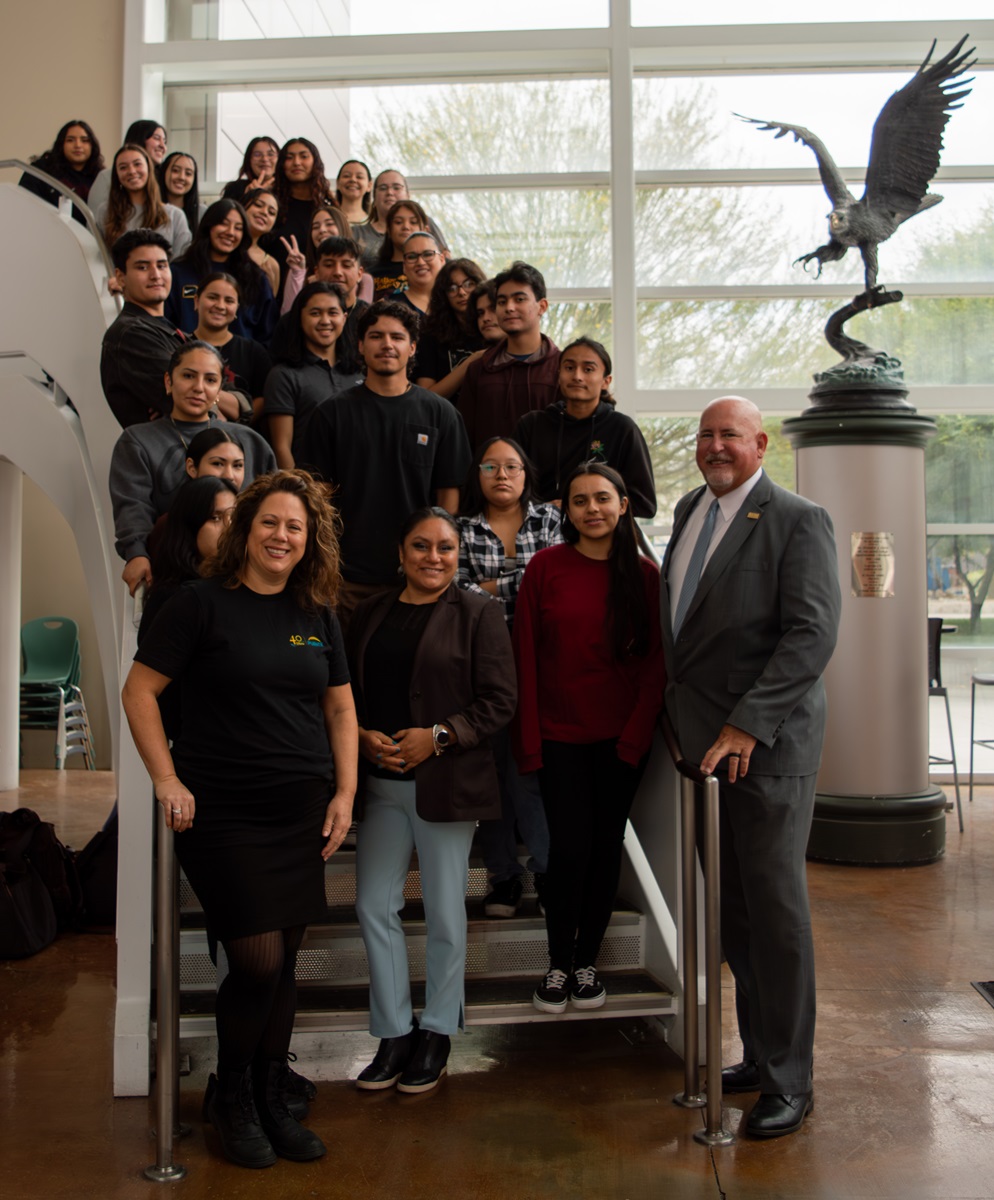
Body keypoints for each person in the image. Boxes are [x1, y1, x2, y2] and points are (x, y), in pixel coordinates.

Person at [122, 469, 358, 1169]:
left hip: (300, 811)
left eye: (295, 526)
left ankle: (265, 1095)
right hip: (223, 813)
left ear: (309, 540)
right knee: (255, 960)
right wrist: (166, 777)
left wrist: (345, 794)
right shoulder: (198, 604)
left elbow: (340, 708)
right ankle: (230, 1096)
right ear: (244, 530)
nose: (282, 535)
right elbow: (140, 693)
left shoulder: (316, 612)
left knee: (284, 962)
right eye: (269, 522)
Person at [660, 395, 841, 1139]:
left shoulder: (797, 518)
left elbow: (811, 634)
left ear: (760, 443)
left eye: (728, 434)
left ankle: (791, 1081)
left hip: (763, 750)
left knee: (775, 916)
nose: (714, 445)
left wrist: (745, 725)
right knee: (734, 915)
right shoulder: (687, 510)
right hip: (700, 753)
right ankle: (760, 1056)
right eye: (705, 435)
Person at [348, 508, 516, 1094]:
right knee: (373, 905)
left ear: (457, 554)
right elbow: (347, 693)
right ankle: (393, 1030)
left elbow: (500, 702)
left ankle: (439, 1029)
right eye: (420, 545)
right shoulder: (370, 612)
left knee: (445, 912)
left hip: (445, 785)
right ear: (401, 551)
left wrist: (439, 736)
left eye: (445, 547)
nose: (433, 557)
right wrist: (363, 736)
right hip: (381, 785)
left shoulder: (479, 613)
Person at [513, 463, 664, 1014]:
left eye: (603, 498)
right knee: (568, 851)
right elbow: (524, 659)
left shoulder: (646, 577)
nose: (592, 509)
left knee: (605, 851)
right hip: (559, 739)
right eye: (580, 501)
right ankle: (557, 962)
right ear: (564, 510)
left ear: (624, 504)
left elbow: (655, 668)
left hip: (621, 743)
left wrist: (633, 739)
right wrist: (528, 742)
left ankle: (586, 964)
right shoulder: (545, 568)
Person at [304, 300, 472, 629]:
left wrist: (434, 564)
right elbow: (317, 499)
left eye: (396, 337)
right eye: (376, 336)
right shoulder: (331, 414)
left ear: (412, 347)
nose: (386, 344)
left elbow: (448, 500)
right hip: (348, 580)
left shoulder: (441, 414)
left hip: (419, 576)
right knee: (348, 673)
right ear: (361, 345)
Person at [457, 437, 561, 918]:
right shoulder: (459, 529)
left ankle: (547, 871)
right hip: (480, 666)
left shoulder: (551, 520)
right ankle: (502, 878)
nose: (501, 474)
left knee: (532, 769)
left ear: (526, 474)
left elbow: (554, 581)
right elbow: (455, 595)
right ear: (477, 474)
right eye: (491, 465)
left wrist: (489, 587)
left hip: (543, 660)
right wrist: (521, 578)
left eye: (512, 466)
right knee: (491, 773)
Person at [110, 341, 275, 596]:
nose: (199, 388)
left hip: (247, 575)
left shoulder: (250, 441)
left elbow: (272, 504)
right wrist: (136, 554)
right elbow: (132, 506)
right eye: (188, 376)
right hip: (174, 576)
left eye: (210, 380)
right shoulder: (138, 441)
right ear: (168, 381)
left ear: (220, 389)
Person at [514, 337, 657, 519]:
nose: (577, 376)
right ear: (558, 375)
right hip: (537, 534)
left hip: (601, 536)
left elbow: (645, 504)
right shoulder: (531, 425)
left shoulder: (622, 429)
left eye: (588, 369)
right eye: (569, 368)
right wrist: (544, 510)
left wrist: (581, 507)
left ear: (606, 381)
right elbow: (511, 492)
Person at [459, 261, 560, 452]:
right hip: (489, 478)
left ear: (542, 306)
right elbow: (463, 440)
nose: (509, 308)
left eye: (519, 299)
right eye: (502, 301)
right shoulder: (478, 370)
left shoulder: (563, 368)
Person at [262, 281, 362, 470]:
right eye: (315, 313)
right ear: (299, 318)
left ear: (345, 317)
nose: (325, 321)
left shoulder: (360, 371)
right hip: (311, 487)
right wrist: (299, 494)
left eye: (333, 313)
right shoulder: (284, 375)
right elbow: (281, 447)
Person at [100, 229, 186, 427]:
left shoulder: (168, 328)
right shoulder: (130, 334)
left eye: (162, 266)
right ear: (121, 278)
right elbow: (188, 398)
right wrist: (219, 400)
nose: (156, 275)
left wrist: (216, 398)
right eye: (142, 267)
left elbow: (239, 397)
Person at [138, 475, 237, 643]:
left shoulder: (243, 583)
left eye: (234, 517)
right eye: (215, 517)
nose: (229, 527)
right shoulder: (174, 598)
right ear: (189, 525)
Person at [166, 198, 277, 342]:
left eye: (238, 228)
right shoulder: (178, 272)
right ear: (209, 226)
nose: (230, 232)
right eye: (224, 224)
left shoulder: (255, 277)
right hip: (187, 359)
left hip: (241, 361)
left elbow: (268, 333)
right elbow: (166, 326)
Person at [267, 236, 370, 374]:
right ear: (316, 272)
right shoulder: (293, 320)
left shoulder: (370, 319)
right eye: (328, 265)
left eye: (346, 265)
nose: (337, 272)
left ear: (360, 274)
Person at [192, 273, 272, 423]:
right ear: (196, 301)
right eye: (213, 297)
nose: (220, 306)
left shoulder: (254, 351)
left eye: (229, 300)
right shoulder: (179, 345)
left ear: (237, 309)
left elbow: (263, 397)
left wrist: (237, 426)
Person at [267, 138, 337, 296]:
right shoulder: (271, 207)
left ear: (315, 163)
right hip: (274, 293)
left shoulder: (326, 209)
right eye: (289, 157)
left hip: (318, 294)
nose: (296, 162)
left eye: (303, 156)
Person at [96, 143, 191, 257]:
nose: (131, 171)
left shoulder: (175, 215)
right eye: (123, 167)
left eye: (137, 164)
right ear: (117, 175)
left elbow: (180, 264)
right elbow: (98, 259)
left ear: (149, 168)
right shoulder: (105, 212)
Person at [414, 258, 487, 401]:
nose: (461, 292)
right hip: (447, 416)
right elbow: (426, 397)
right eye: (452, 288)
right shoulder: (430, 334)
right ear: (444, 295)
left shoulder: (495, 327)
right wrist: (472, 361)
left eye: (469, 284)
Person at [352, 169, 449, 265]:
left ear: (408, 195)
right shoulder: (356, 233)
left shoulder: (425, 222)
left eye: (396, 188)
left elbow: (445, 258)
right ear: (374, 197)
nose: (389, 192)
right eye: (383, 188)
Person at [19, 119, 104, 220]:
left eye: (84, 140)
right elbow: (24, 202)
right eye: (70, 140)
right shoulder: (42, 170)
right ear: (61, 144)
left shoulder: (100, 178)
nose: (78, 145)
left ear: (92, 146)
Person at [87, 119, 168, 215]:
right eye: (156, 138)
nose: (163, 146)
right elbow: (94, 222)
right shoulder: (106, 177)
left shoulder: (165, 177)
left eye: (165, 141)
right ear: (140, 138)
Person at [369, 200, 431, 300]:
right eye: (398, 222)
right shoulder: (372, 274)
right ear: (388, 230)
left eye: (413, 222)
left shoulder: (435, 269)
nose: (406, 227)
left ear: (425, 230)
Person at [391, 231, 443, 320]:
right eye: (412, 257)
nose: (420, 262)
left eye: (428, 254)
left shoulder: (457, 299)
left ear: (442, 260)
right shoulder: (390, 306)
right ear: (404, 266)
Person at [242, 187, 281, 296]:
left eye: (271, 212)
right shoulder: (223, 247)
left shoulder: (271, 265)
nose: (264, 212)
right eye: (258, 205)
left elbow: (270, 309)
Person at [220, 135, 280, 203]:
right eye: (257, 154)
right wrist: (248, 197)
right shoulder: (235, 188)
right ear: (249, 160)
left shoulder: (289, 189)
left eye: (270, 154)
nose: (264, 159)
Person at [161, 150, 203, 238]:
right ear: (163, 172)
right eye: (175, 171)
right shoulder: (151, 209)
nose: (182, 177)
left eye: (188, 173)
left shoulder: (202, 213)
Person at [334, 158, 372, 226]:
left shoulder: (374, 222)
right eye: (346, 176)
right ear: (338, 183)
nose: (353, 180)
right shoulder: (328, 218)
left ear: (369, 185)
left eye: (359, 177)